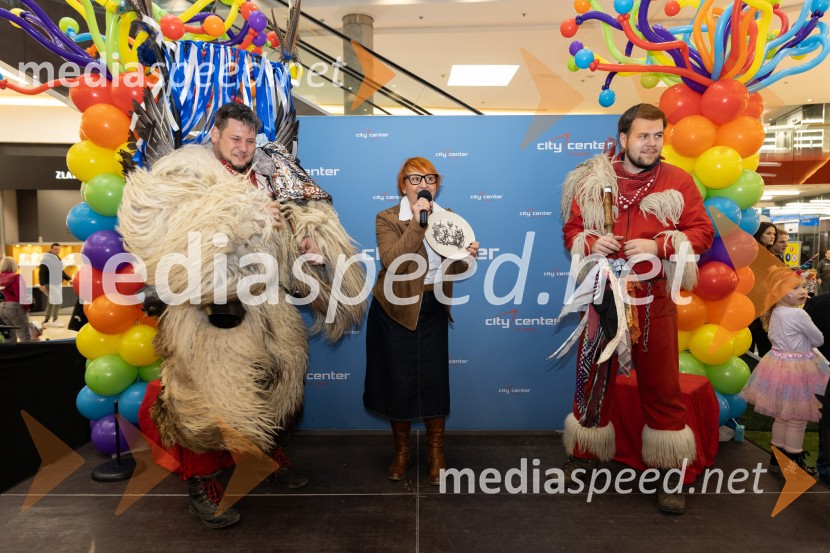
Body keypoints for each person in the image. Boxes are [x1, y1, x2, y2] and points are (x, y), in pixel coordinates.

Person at [124, 103, 366, 528]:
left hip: (267, 300)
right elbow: (179, 234)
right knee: (208, 398)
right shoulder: (188, 172)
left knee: (280, 379)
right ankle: (203, 485)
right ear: (215, 135)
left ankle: (266, 459)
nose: (244, 147)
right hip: (209, 304)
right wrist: (247, 214)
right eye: (235, 138)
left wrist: (308, 239)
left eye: (250, 140)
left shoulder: (269, 167)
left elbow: (304, 211)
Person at [560, 104, 714, 515]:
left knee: (662, 387)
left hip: (654, 300)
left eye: (658, 136)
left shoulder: (678, 180)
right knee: (592, 377)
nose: (651, 143)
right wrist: (593, 242)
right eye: (643, 136)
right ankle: (583, 454)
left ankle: (670, 474)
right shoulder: (594, 180)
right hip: (602, 296)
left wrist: (658, 244)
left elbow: (702, 233)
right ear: (624, 138)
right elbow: (571, 230)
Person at [364, 156, 479, 485]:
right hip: (395, 310)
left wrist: (464, 257)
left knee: (433, 381)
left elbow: (450, 270)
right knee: (396, 382)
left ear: (437, 184)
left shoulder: (451, 219)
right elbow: (393, 261)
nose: (423, 185)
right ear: (403, 185)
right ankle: (401, 452)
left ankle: (436, 452)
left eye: (429, 178)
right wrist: (418, 222)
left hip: (431, 307)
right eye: (414, 179)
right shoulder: (387, 218)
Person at [742, 270, 828, 475]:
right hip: (799, 368)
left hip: (776, 365)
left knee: (781, 417)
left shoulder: (775, 312)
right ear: (779, 292)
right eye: (795, 288)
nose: (802, 291)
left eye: (803, 287)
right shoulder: (798, 313)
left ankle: (777, 460)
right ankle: (792, 465)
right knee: (797, 420)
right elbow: (819, 339)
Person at [748, 222, 779, 357]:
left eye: (774, 234)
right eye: (768, 233)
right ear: (759, 233)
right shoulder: (756, 252)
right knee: (761, 342)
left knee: (761, 343)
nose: (772, 236)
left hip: (763, 302)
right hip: (756, 302)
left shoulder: (766, 252)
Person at [0, 257, 34, 343]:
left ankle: (10, 355)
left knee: (8, 335)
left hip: (1, 307)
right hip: (14, 307)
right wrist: (27, 308)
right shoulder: (16, 277)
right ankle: (27, 354)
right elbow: (21, 295)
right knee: (24, 333)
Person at [38, 243, 70, 327]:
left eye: (59, 249)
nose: (58, 251)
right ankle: (55, 320)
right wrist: (42, 284)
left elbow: (61, 271)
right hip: (49, 284)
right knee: (56, 301)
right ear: (51, 249)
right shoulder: (46, 259)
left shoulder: (57, 258)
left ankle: (46, 321)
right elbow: (42, 271)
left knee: (52, 302)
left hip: (56, 284)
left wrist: (69, 279)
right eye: (56, 249)